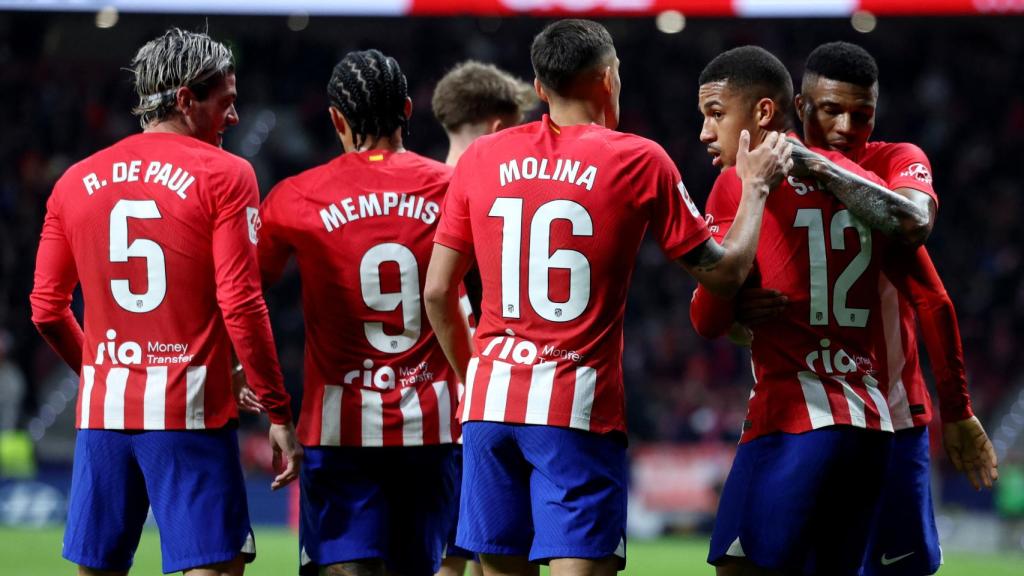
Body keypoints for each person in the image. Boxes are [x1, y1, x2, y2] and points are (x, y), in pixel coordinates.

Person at [424, 19, 793, 576]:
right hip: (574, 410)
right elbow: (724, 274)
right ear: (607, 78)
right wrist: (756, 187)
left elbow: (436, 292)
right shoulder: (638, 159)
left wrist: (476, 372)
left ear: (540, 89)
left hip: (489, 408)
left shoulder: (480, 157)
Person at [29, 28, 300, 576]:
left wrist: (102, 371)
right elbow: (241, 301)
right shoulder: (227, 174)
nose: (233, 119)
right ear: (184, 100)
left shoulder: (74, 181)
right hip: (189, 415)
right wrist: (278, 409)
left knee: (97, 570)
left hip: (104, 416)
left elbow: (45, 309)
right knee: (213, 567)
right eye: (225, 103)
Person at [737, 41, 997, 576]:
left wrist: (958, 408)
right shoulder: (762, 172)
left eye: (863, 112)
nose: (847, 125)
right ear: (803, 106)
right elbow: (721, 287)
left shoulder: (898, 160)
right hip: (798, 415)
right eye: (832, 109)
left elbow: (915, 231)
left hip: (895, 416)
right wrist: (734, 307)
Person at [689, 45, 929, 576]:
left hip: (791, 418)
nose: (706, 133)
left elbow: (706, 318)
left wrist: (730, 307)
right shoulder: (860, 180)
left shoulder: (741, 180)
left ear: (764, 114)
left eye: (716, 115)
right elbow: (924, 284)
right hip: (869, 427)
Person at [258, 49, 460, 576]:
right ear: (409, 110)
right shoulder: (454, 186)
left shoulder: (294, 197)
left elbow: (243, 290)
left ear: (337, 119)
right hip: (433, 429)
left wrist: (249, 375)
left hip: (339, 428)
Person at [430, 60, 538, 576]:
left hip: (406, 413)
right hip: (475, 399)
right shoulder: (493, 199)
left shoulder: (413, 194)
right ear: (499, 128)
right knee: (471, 557)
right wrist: (475, 375)